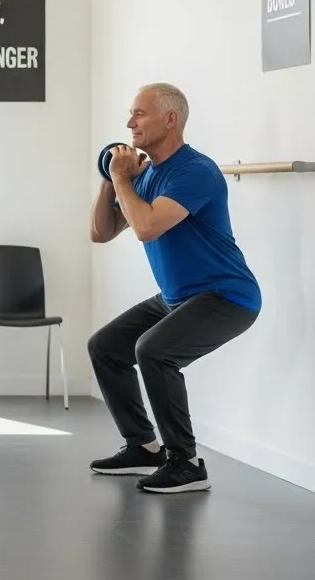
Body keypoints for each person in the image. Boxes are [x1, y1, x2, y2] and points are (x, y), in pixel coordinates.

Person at [87, 82, 260, 494]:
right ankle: (144, 446)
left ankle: (185, 462)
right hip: (178, 298)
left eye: (139, 114)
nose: (130, 123)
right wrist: (110, 180)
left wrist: (123, 179)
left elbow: (146, 227)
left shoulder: (195, 171)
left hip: (227, 295)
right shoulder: (143, 177)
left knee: (154, 351)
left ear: (170, 118)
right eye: (130, 114)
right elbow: (101, 232)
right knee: (106, 347)